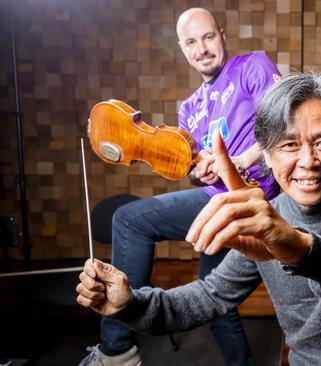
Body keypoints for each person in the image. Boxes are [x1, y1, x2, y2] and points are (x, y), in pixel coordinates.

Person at [76, 72, 321, 365]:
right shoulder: (269, 219)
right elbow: (208, 296)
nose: (307, 161)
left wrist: (300, 248)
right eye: (288, 145)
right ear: (266, 155)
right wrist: (131, 304)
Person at [79, 7, 281, 366]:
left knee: (129, 219)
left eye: (207, 37)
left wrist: (241, 161)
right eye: (191, 42)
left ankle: (117, 349)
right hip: (216, 201)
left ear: (222, 35)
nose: (202, 48)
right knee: (214, 296)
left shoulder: (254, 67)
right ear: (182, 49)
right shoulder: (189, 108)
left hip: (255, 194)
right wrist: (199, 171)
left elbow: (285, 124)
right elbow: (192, 168)